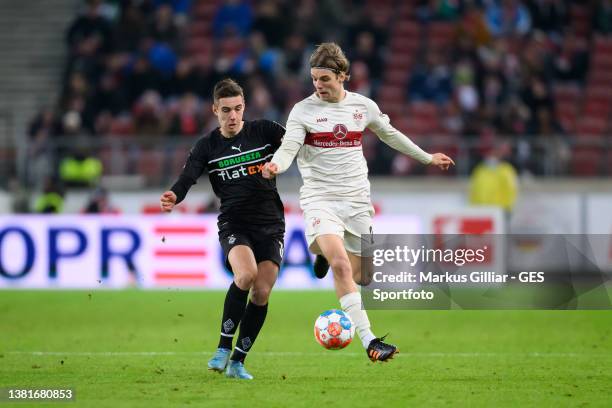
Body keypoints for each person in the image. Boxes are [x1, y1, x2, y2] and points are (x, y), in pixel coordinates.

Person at [262, 43, 454, 362]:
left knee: (363, 276)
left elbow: (390, 134)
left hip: (356, 201)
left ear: (343, 76)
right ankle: (370, 341)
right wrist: (276, 166)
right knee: (341, 266)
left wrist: (426, 158)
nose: (318, 86)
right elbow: (289, 147)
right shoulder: (303, 111)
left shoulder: (362, 107)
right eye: (314, 79)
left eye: (324, 79)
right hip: (320, 199)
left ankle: (323, 252)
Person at [160, 78, 285, 380]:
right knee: (245, 275)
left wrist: (281, 163)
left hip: (270, 224)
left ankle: (238, 362)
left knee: (262, 293)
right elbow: (189, 176)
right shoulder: (207, 146)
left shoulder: (266, 131)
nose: (233, 116)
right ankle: (222, 348)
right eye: (226, 110)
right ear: (215, 109)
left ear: (245, 107)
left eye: (238, 109)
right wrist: (175, 195)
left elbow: (296, 144)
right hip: (234, 223)